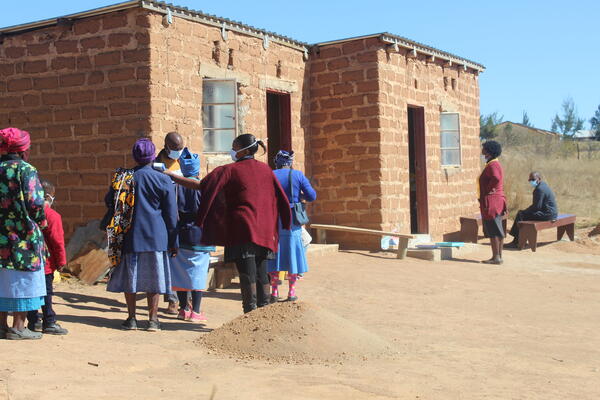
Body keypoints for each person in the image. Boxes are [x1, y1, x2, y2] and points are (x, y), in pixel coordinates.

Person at [164, 134, 292, 314]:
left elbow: (202, 186)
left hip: (242, 229)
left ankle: (251, 312)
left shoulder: (229, 170)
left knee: (247, 273)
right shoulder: (266, 169)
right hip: (265, 231)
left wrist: (173, 177)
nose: (232, 150)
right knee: (262, 272)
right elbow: (280, 198)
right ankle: (265, 312)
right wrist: (283, 223)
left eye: (234, 146)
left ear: (245, 150)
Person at [105, 138, 178, 331]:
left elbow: (110, 202)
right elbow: (171, 214)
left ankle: (131, 318)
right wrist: (174, 241)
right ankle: (153, 319)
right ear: (153, 155)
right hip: (157, 236)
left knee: (131, 278)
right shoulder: (163, 179)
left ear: (134, 156)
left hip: (129, 235)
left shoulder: (123, 178)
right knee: (154, 279)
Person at [0, 127, 47, 340]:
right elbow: (35, 203)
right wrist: (42, 221)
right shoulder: (26, 170)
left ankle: (1, 326)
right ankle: (19, 326)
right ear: (22, 149)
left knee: (2, 279)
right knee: (21, 279)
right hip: (23, 238)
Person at [170, 149, 214, 323]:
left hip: (180, 235)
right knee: (198, 273)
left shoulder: (175, 188)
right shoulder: (203, 187)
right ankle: (196, 311)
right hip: (200, 236)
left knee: (180, 273)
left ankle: (183, 309)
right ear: (197, 170)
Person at [267, 151, 316, 302]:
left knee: (275, 253)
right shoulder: (298, 175)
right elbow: (311, 196)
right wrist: (298, 197)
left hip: (274, 218)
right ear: (290, 162)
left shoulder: (270, 174)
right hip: (292, 219)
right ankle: (291, 292)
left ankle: (274, 292)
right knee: (294, 252)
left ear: (277, 162)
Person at [26, 180, 69, 335]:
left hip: (29, 262)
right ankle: (49, 321)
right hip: (47, 264)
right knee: (47, 293)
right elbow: (58, 241)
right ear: (49, 196)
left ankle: (33, 321)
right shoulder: (52, 216)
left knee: (31, 292)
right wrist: (61, 262)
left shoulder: (27, 212)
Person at [155, 132, 185, 314]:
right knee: (170, 259)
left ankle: (185, 301)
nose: (178, 152)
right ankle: (172, 300)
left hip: (183, 214)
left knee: (183, 259)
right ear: (167, 147)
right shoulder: (158, 163)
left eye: (180, 149)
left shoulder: (185, 160)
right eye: (175, 149)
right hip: (166, 217)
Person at [506, 172, 558, 247]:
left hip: (547, 215)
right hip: (551, 213)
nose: (531, 181)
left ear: (539, 179)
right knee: (524, 214)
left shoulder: (539, 189)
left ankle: (516, 241)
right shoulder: (544, 186)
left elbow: (537, 207)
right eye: (530, 179)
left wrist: (525, 211)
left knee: (521, 214)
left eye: (533, 179)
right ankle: (520, 239)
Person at [478, 140, 507, 265]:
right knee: (497, 229)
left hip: (492, 201)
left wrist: (489, 190)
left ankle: (496, 257)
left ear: (489, 150)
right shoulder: (492, 163)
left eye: (483, 148)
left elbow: (495, 178)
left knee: (493, 229)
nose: (482, 149)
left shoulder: (493, 165)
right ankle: (498, 256)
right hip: (497, 200)